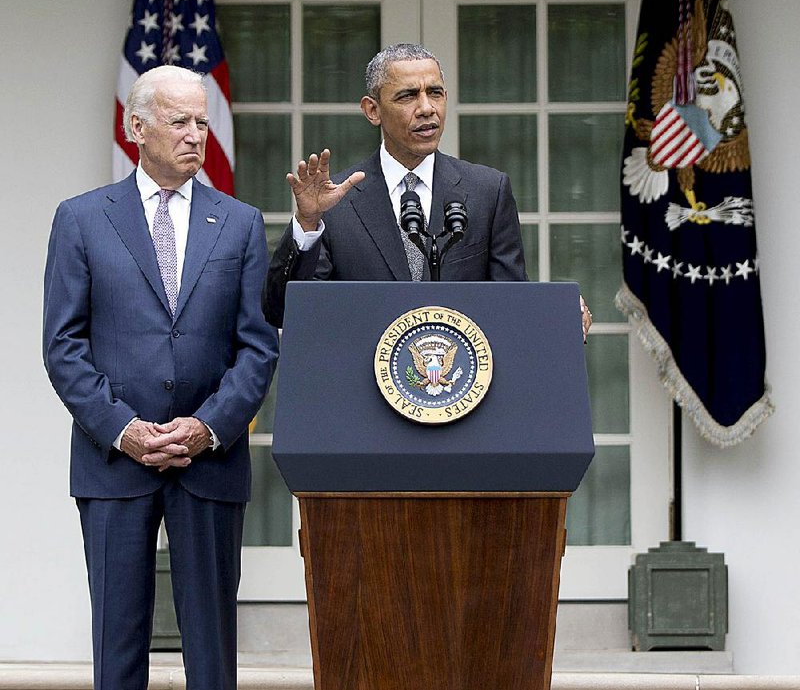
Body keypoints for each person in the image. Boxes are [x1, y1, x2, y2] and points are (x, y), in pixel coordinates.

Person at [43, 65, 279, 690]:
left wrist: (207, 426)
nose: (197, 135)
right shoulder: (82, 219)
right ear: (137, 127)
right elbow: (63, 347)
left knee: (212, 652)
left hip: (209, 462)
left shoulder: (241, 223)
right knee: (117, 646)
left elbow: (257, 348)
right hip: (114, 463)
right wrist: (123, 430)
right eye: (181, 122)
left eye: (203, 121)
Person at [262, 43, 592, 337]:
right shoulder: (337, 201)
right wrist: (307, 224)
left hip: (461, 393)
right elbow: (284, 311)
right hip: (362, 396)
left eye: (435, 93)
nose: (426, 108)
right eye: (408, 96)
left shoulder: (488, 192)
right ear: (372, 110)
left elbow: (510, 306)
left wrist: (555, 315)